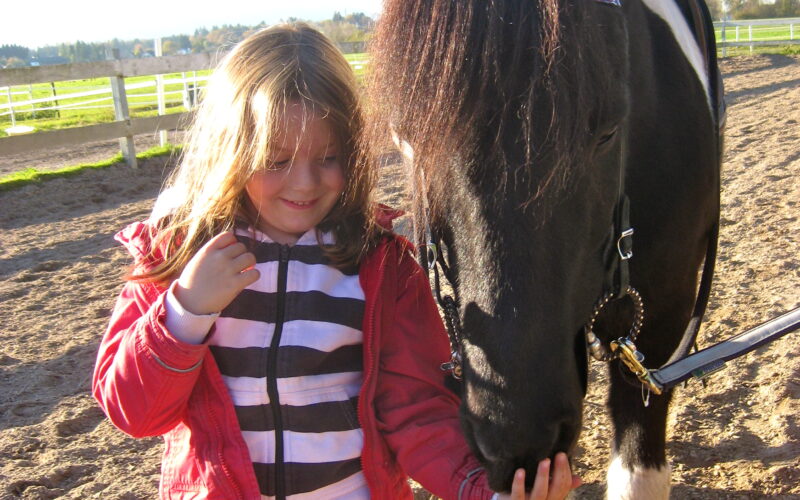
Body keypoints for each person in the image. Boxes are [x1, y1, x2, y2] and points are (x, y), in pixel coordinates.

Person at [92, 23, 579, 500]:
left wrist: (480, 491)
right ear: (230, 149)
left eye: (328, 157)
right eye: (276, 160)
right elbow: (135, 414)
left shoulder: (382, 267)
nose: (304, 184)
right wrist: (185, 311)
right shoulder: (178, 255)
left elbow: (416, 411)